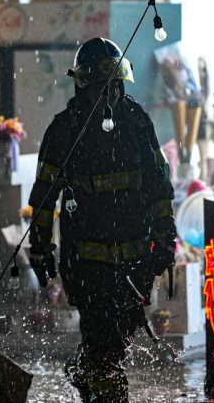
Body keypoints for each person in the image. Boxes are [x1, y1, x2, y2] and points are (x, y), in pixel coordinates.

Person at [27, 37, 176, 403]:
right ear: (83, 87)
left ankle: (83, 369)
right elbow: (44, 197)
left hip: (135, 257)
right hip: (87, 260)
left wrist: (166, 235)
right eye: (101, 87)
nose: (110, 95)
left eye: (115, 86)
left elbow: (159, 186)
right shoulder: (64, 130)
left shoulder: (137, 122)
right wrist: (40, 247)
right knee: (104, 344)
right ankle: (108, 394)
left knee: (120, 337)